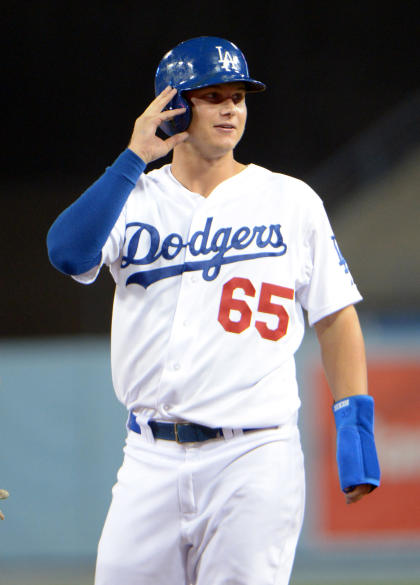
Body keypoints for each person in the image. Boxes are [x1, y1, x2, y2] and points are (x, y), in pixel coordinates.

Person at [47, 36, 380, 585]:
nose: (231, 107)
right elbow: (67, 252)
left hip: (253, 456)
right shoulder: (133, 200)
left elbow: (334, 316)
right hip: (148, 456)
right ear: (173, 108)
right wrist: (133, 158)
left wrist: (355, 431)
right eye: (211, 95)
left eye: (239, 96)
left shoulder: (291, 201)